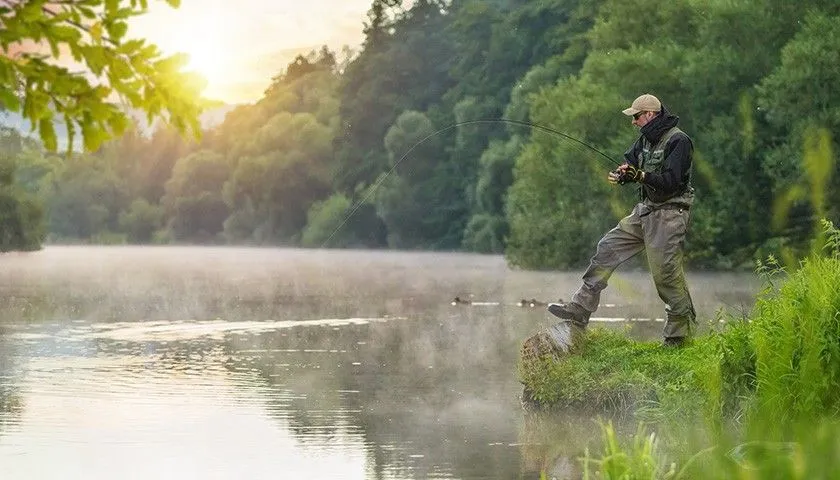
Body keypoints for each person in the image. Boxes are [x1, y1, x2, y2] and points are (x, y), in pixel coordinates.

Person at [546, 93, 696, 348]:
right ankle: (580, 309)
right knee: (607, 248)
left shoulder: (679, 141)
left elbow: (670, 182)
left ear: (650, 115)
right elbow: (631, 163)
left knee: (666, 275)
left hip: (670, 213)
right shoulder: (645, 141)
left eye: (636, 117)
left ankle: (679, 337)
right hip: (646, 210)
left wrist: (640, 175)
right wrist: (624, 174)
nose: (634, 122)